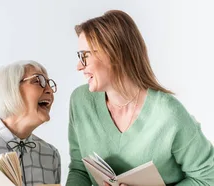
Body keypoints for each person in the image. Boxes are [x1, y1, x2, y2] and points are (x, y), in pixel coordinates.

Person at [67, 10, 214, 185]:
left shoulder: (168, 113)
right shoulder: (80, 101)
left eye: (84, 56)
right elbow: (79, 169)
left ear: (113, 53)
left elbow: (208, 178)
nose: (78, 66)